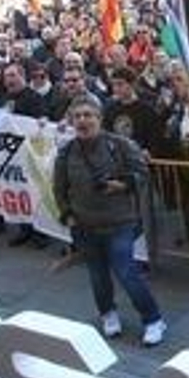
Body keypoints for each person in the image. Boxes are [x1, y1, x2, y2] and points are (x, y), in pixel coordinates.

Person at [52, 95, 167, 346]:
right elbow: (59, 188)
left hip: (120, 223)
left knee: (126, 272)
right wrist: (68, 215)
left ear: (99, 119)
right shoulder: (66, 152)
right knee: (97, 275)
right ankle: (108, 313)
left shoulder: (121, 144)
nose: (83, 120)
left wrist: (123, 184)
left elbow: (143, 173)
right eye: (78, 116)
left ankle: (153, 319)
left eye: (88, 115)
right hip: (84, 226)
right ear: (71, 121)